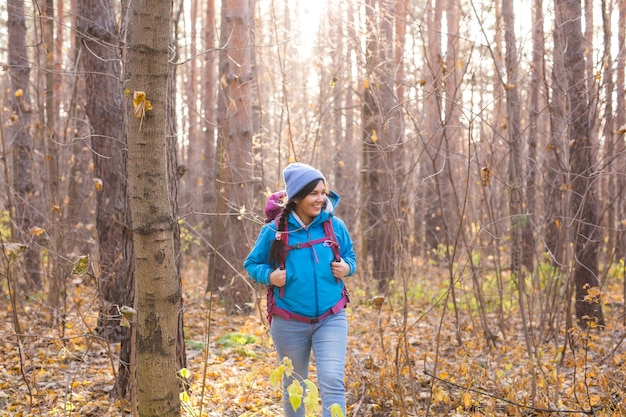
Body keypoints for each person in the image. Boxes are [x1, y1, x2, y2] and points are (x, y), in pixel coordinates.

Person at [244, 162, 357, 417]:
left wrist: (347, 268)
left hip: (331, 316)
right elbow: (251, 264)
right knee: (295, 388)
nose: (320, 199)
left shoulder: (334, 226)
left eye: (323, 192)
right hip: (289, 320)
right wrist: (270, 275)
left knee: (332, 381)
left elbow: (350, 255)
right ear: (296, 198)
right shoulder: (274, 231)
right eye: (313, 194)